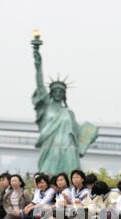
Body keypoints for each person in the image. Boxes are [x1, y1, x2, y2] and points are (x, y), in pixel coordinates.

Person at [31, 38, 97, 174]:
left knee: (70, 176)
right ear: (51, 92)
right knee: (47, 175)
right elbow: (39, 84)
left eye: (61, 91)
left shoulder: (68, 113)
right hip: (50, 148)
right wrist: (38, 63)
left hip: (69, 149)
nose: (58, 93)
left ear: (64, 94)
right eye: (55, 90)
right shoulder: (45, 107)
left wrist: (90, 133)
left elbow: (78, 132)